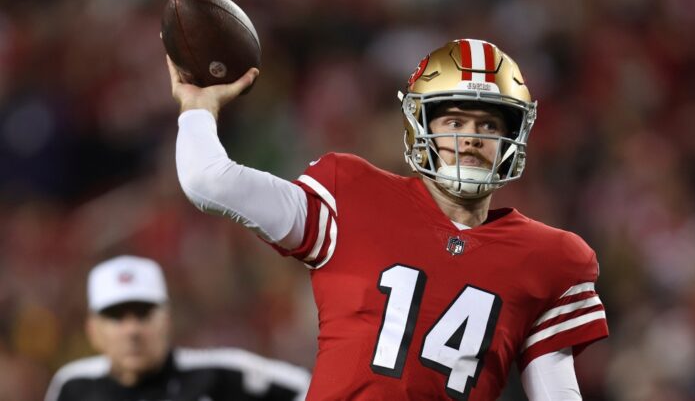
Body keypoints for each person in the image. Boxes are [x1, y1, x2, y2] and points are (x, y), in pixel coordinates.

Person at [169, 38, 609, 400]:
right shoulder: (350, 193)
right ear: (421, 127)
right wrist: (197, 108)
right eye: (455, 122)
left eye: (490, 126)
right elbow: (209, 181)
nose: (472, 138)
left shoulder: (550, 258)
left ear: (514, 138)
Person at [45, 255, 310, 401]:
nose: (132, 330)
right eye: (116, 317)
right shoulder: (73, 387)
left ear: (167, 320)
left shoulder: (218, 374)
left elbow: (308, 387)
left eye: (143, 314)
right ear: (93, 330)